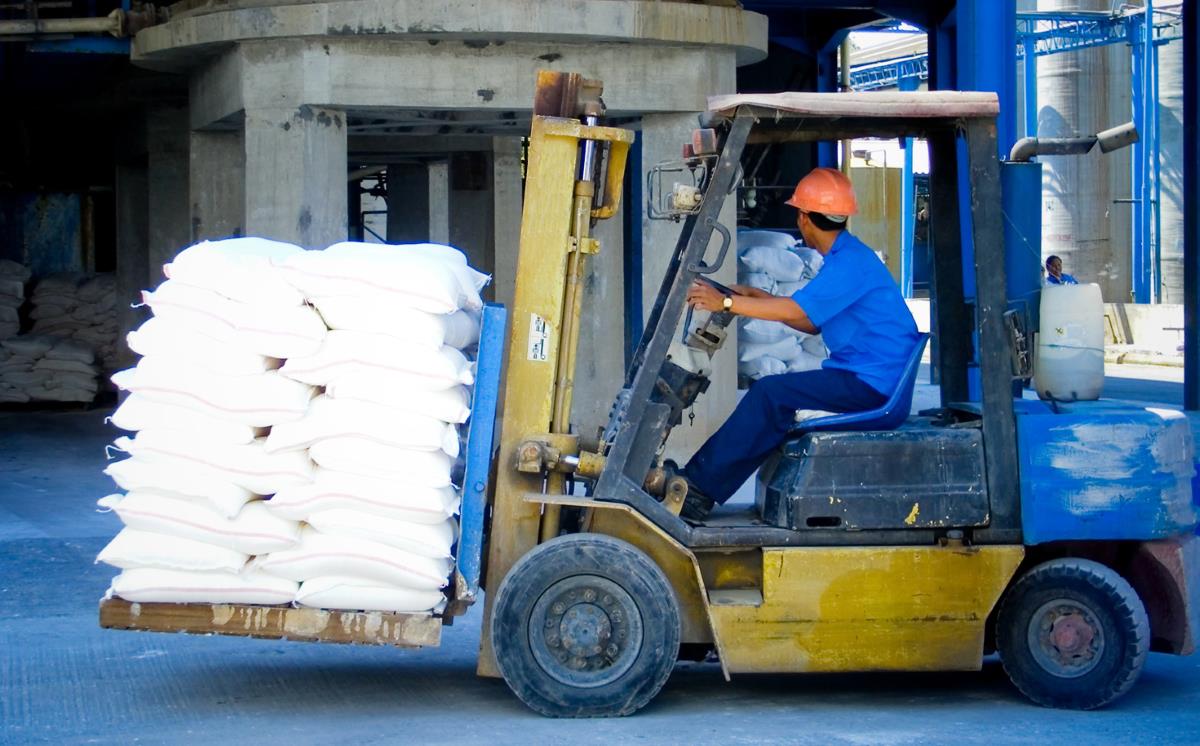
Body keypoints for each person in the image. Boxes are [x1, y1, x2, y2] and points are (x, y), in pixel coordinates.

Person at [677, 167, 920, 522]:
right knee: (774, 395)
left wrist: (725, 303)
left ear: (803, 218)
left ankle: (697, 490)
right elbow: (807, 320)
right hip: (866, 377)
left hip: (872, 385)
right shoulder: (846, 258)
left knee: (771, 394)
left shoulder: (849, 264)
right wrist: (755, 296)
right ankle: (702, 480)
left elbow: (794, 309)